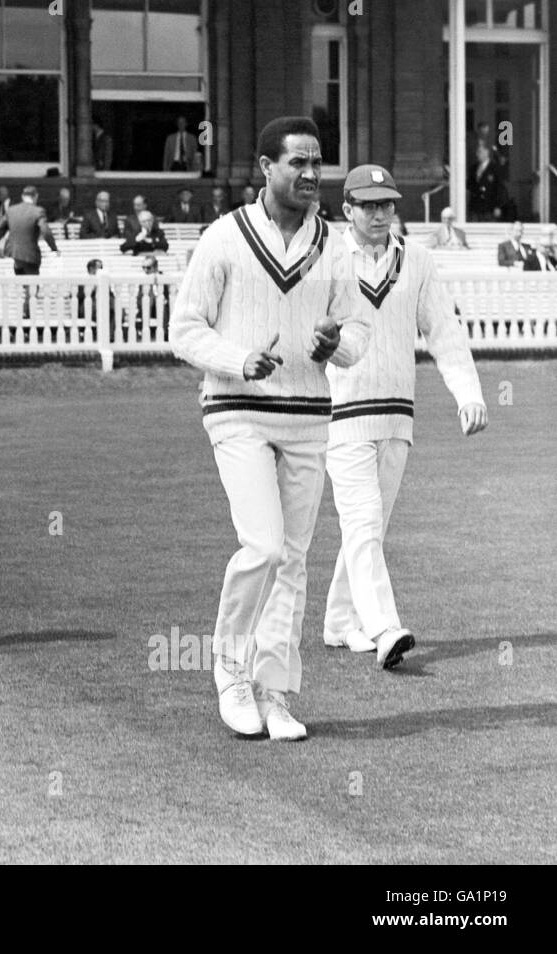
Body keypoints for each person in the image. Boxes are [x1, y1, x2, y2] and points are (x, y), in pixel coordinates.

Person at [170, 116, 370, 741]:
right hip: (237, 409)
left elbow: (357, 336)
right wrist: (239, 360)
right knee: (263, 545)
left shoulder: (335, 246)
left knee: (294, 557)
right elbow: (185, 328)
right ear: (266, 168)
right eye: (298, 164)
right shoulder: (224, 238)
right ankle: (230, 669)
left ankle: (276, 690)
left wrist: (337, 343)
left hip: (309, 415)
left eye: (318, 163)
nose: (312, 174)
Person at [324, 164, 486, 667]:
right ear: (347, 209)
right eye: (369, 205)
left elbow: (443, 330)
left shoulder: (416, 260)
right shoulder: (326, 258)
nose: (380, 214)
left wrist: (468, 393)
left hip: (397, 416)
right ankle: (385, 628)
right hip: (342, 415)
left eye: (387, 204)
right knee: (364, 519)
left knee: (369, 528)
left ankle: (339, 622)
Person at [0, 185, 58, 276]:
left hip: (14, 254)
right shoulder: (38, 211)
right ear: (36, 196)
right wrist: (54, 249)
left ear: (22, 197)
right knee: (32, 286)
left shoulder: (11, 210)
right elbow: (46, 232)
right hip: (31, 255)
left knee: (21, 284)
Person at [467, 140, 506, 222]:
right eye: (477, 152)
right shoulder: (473, 168)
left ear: (487, 152)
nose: (477, 154)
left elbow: (499, 188)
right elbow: (469, 186)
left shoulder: (495, 168)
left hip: (489, 208)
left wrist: (498, 206)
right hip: (475, 207)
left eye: (479, 152)